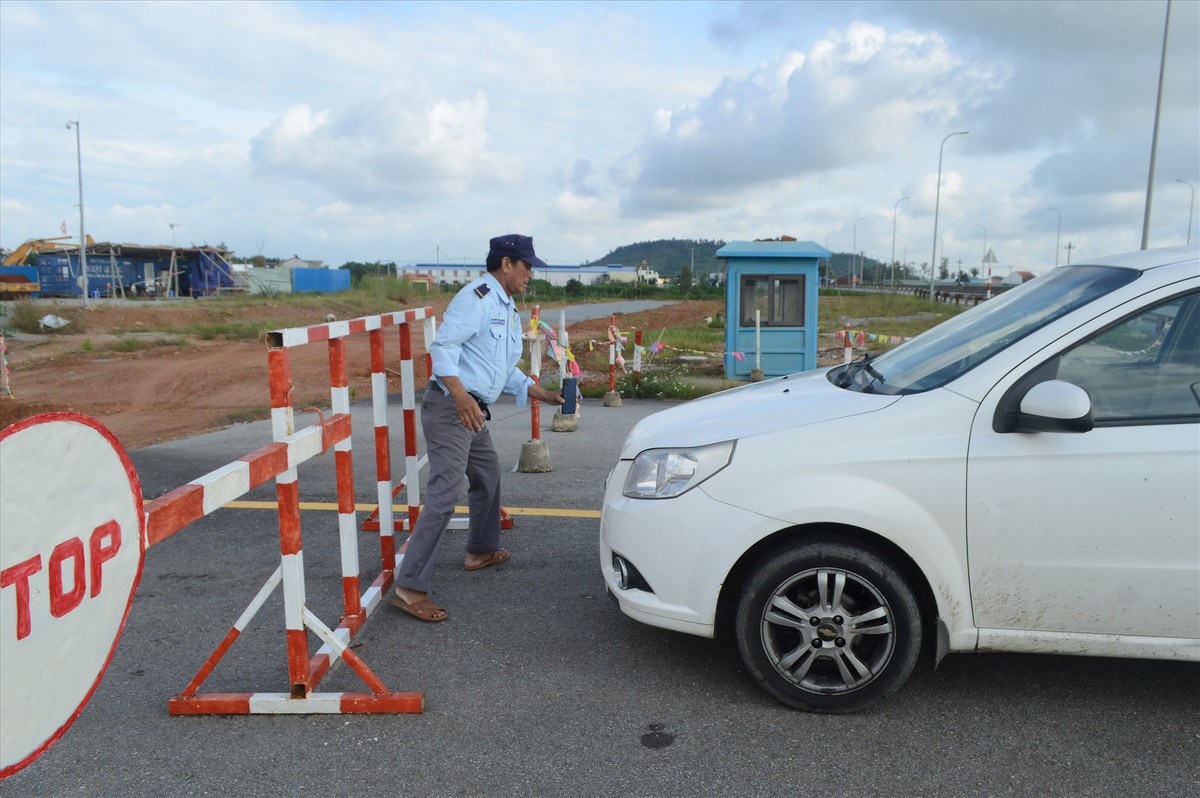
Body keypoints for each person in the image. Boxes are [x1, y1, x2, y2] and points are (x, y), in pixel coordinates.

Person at [391, 234, 565, 622]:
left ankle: (480, 550)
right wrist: (460, 396)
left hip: (472, 408)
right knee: (446, 491)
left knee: (486, 474)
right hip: (453, 406)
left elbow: (500, 369)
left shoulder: (506, 305)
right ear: (506, 264)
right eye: (527, 266)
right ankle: (409, 587)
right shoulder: (478, 297)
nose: (530, 274)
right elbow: (443, 348)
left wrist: (540, 393)